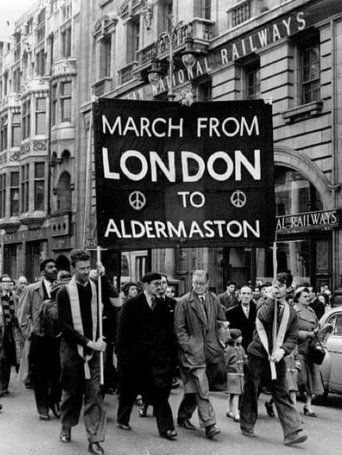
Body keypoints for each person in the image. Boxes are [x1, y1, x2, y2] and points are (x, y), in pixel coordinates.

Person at [240, 272, 307, 446]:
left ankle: (292, 431)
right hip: (258, 354)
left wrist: (283, 351)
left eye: (281, 286)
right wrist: (272, 298)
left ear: (289, 288)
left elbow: (292, 337)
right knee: (252, 390)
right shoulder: (264, 302)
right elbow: (263, 317)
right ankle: (247, 425)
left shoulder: (291, 312)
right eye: (275, 284)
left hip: (277, 358)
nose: (277, 288)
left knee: (281, 392)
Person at [56, 250, 108, 455]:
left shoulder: (96, 288)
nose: (86, 272)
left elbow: (113, 304)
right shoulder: (64, 292)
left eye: (88, 268)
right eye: (82, 269)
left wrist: (99, 340)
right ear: (73, 268)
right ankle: (66, 425)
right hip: (72, 349)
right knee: (72, 392)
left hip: (94, 351)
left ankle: (94, 439)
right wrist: (88, 342)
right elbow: (65, 326)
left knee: (94, 394)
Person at [116, 272, 177, 440]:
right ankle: (122, 419)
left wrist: (169, 357)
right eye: (156, 283)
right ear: (145, 285)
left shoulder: (162, 306)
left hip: (155, 359)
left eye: (161, 284)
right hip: (134, 359)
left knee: (160, 392)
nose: (160, 287)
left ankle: (167, 428)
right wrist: (122, 358)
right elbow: (122, 334)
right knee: (129, 391)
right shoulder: (131, 306)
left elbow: (168, 333)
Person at [174, 269, 226, 439]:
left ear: (207, 283)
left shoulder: (214, 300)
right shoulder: (183, 302)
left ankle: (183, 416)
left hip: (211, 353)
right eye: (195, 282)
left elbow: (221, 321)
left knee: (195, 388)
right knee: (202, 388)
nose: (197, 286)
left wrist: (221, 341)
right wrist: (188, 347)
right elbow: (179, 330)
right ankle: (210, 425)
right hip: (192, 353)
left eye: (201, 283)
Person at [18, 259, 58, 419]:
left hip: (56, 338)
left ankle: (54, 401)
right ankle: (42, 407)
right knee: (40, 375)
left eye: (55, 267)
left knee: (57, 373)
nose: (54, 269)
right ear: (43, 272)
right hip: (39, 339)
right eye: (50, 267)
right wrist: (31, 332)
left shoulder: (60, 289)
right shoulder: (31, 289)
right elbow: (22, 315)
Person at [293, 286, 324, 418]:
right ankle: (275, 402)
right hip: (297, 349)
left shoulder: (311, 311)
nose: (307, 299)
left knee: (312, 377)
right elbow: (291, 332)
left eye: (308, 296)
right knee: (299, 379)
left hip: (310, 349)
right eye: (304, 297)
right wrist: (307, 334)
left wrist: (319, 333)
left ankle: (308, 405)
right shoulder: (293, 311)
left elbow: (317, 326)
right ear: (298, 298)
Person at [0, 274, 24, 397]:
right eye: (4, 281)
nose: (7, 284)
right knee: (1, 358)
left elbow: (19, 313)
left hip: (11, 330)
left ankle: (4, 387)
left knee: (8, 359)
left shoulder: (15, 298)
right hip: (1, 330)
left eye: (9, 281)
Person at [226, 285, 257, 352]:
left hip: (255, 348)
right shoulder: (231, 312)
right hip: (239, 348)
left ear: (251, 296)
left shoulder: (258, 311)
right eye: (243, 293)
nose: (246, 296)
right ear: (239, 295)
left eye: (248, 294)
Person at [224, 328, 246, 422]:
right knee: (236, 394)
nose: (241, 338)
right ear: (234, 338)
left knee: (233, 394)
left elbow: (244, 358)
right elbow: (225, 361)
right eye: (239, 336)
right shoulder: (228, 350)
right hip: (232, 374)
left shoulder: (241, 348)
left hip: (239, 374)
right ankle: (236, 413)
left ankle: (229, 410)